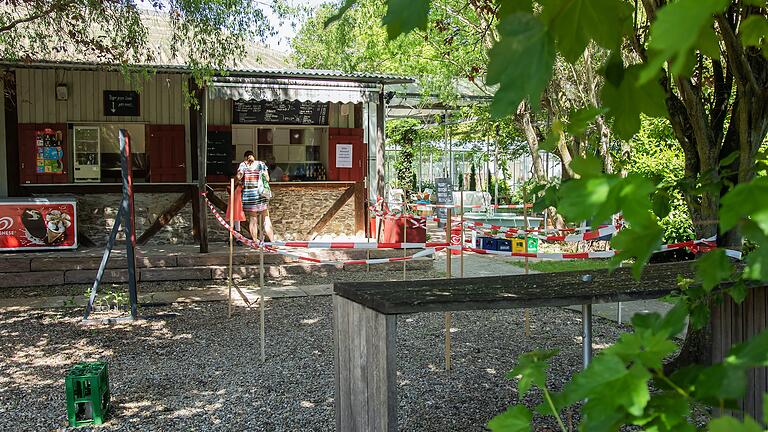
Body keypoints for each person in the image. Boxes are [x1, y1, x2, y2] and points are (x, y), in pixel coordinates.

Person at [237, 150, 276, 242]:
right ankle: (273, 242)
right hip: (261, 194)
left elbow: (239, 176)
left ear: (245, 157)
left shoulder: (243, 165)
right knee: (266, 217)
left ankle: (255, 241)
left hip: (249, 195)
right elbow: (267, 178)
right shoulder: (261, 164)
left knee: (253, 218)